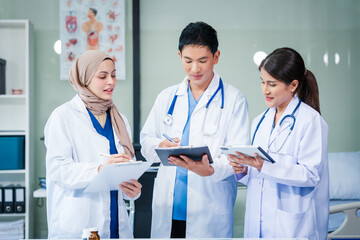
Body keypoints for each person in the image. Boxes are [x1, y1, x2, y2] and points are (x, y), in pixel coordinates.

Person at [140, 21, 249, 238]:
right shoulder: (167, 97)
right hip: (168, 209)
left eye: (202, 60)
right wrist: (159, 145)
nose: (194, 69)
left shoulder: (234, 99)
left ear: (216, 57)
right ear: (179, 55)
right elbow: (146, 141)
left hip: (209, 210)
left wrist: (211, 169)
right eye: (188, 60)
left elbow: (238, 155)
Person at [228, 47, 329, 240]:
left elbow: (311, 175)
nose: (265, 90)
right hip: (258, 222)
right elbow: (258, 177)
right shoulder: (260, 121)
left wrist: (263, 166)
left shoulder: (310, 121)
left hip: (292, 227)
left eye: (272, 84)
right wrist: (243, 170)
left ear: (293, 85)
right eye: (263, 82)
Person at [45, 50, 142, 239]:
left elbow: (128, 169)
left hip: (116, 225)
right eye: (102, 76)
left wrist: (133, 190)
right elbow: (58, 170)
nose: (111, 82)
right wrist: (99, 170)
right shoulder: (63, 116)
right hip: (79, 223)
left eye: (113, 75)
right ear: (85, 79)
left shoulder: (119, 120)